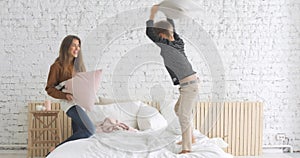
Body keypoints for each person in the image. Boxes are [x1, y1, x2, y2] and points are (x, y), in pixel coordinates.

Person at [146, 5, 199, 154]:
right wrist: (167, 13)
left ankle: (187, 148)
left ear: (162, 35)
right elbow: (172, 30)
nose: (157, 39)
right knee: (178, 110)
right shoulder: (178, 43)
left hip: (190, 86)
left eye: (159, 35)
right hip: (189, 85)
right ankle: (191, 136)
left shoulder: (167, 46)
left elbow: (150, 33)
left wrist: (153, 13)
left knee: (184, 116)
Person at [45, 35, 95, 155]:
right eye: (74, 45)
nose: (77, 48)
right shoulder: (56, 67)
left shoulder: (79, 66)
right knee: (90, 130)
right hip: (69, 104)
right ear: (66, 47)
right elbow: (49, 88)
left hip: (80, 103)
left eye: (78, 46)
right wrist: (64, 95)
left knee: (80, 136)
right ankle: (56, 150)